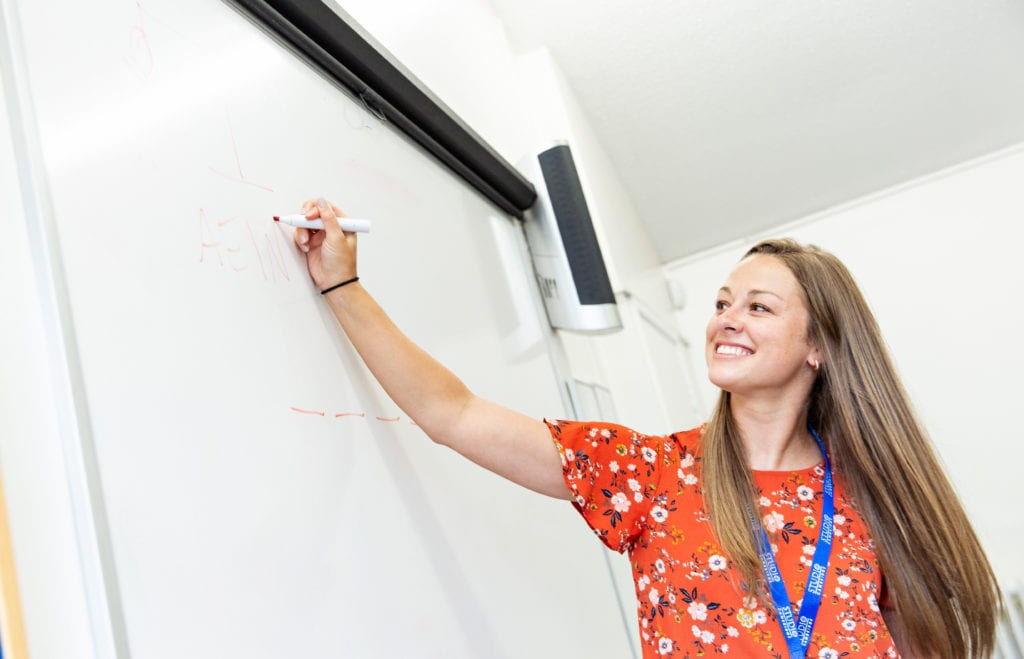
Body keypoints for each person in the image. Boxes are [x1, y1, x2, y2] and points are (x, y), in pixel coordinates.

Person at [293, 197, 1001, 658]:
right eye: (723, 301)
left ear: (818, 346)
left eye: (758, 307)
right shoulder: (652, 475)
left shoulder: (868, 499)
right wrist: (343, 286)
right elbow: (454, 413)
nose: (727, 317)